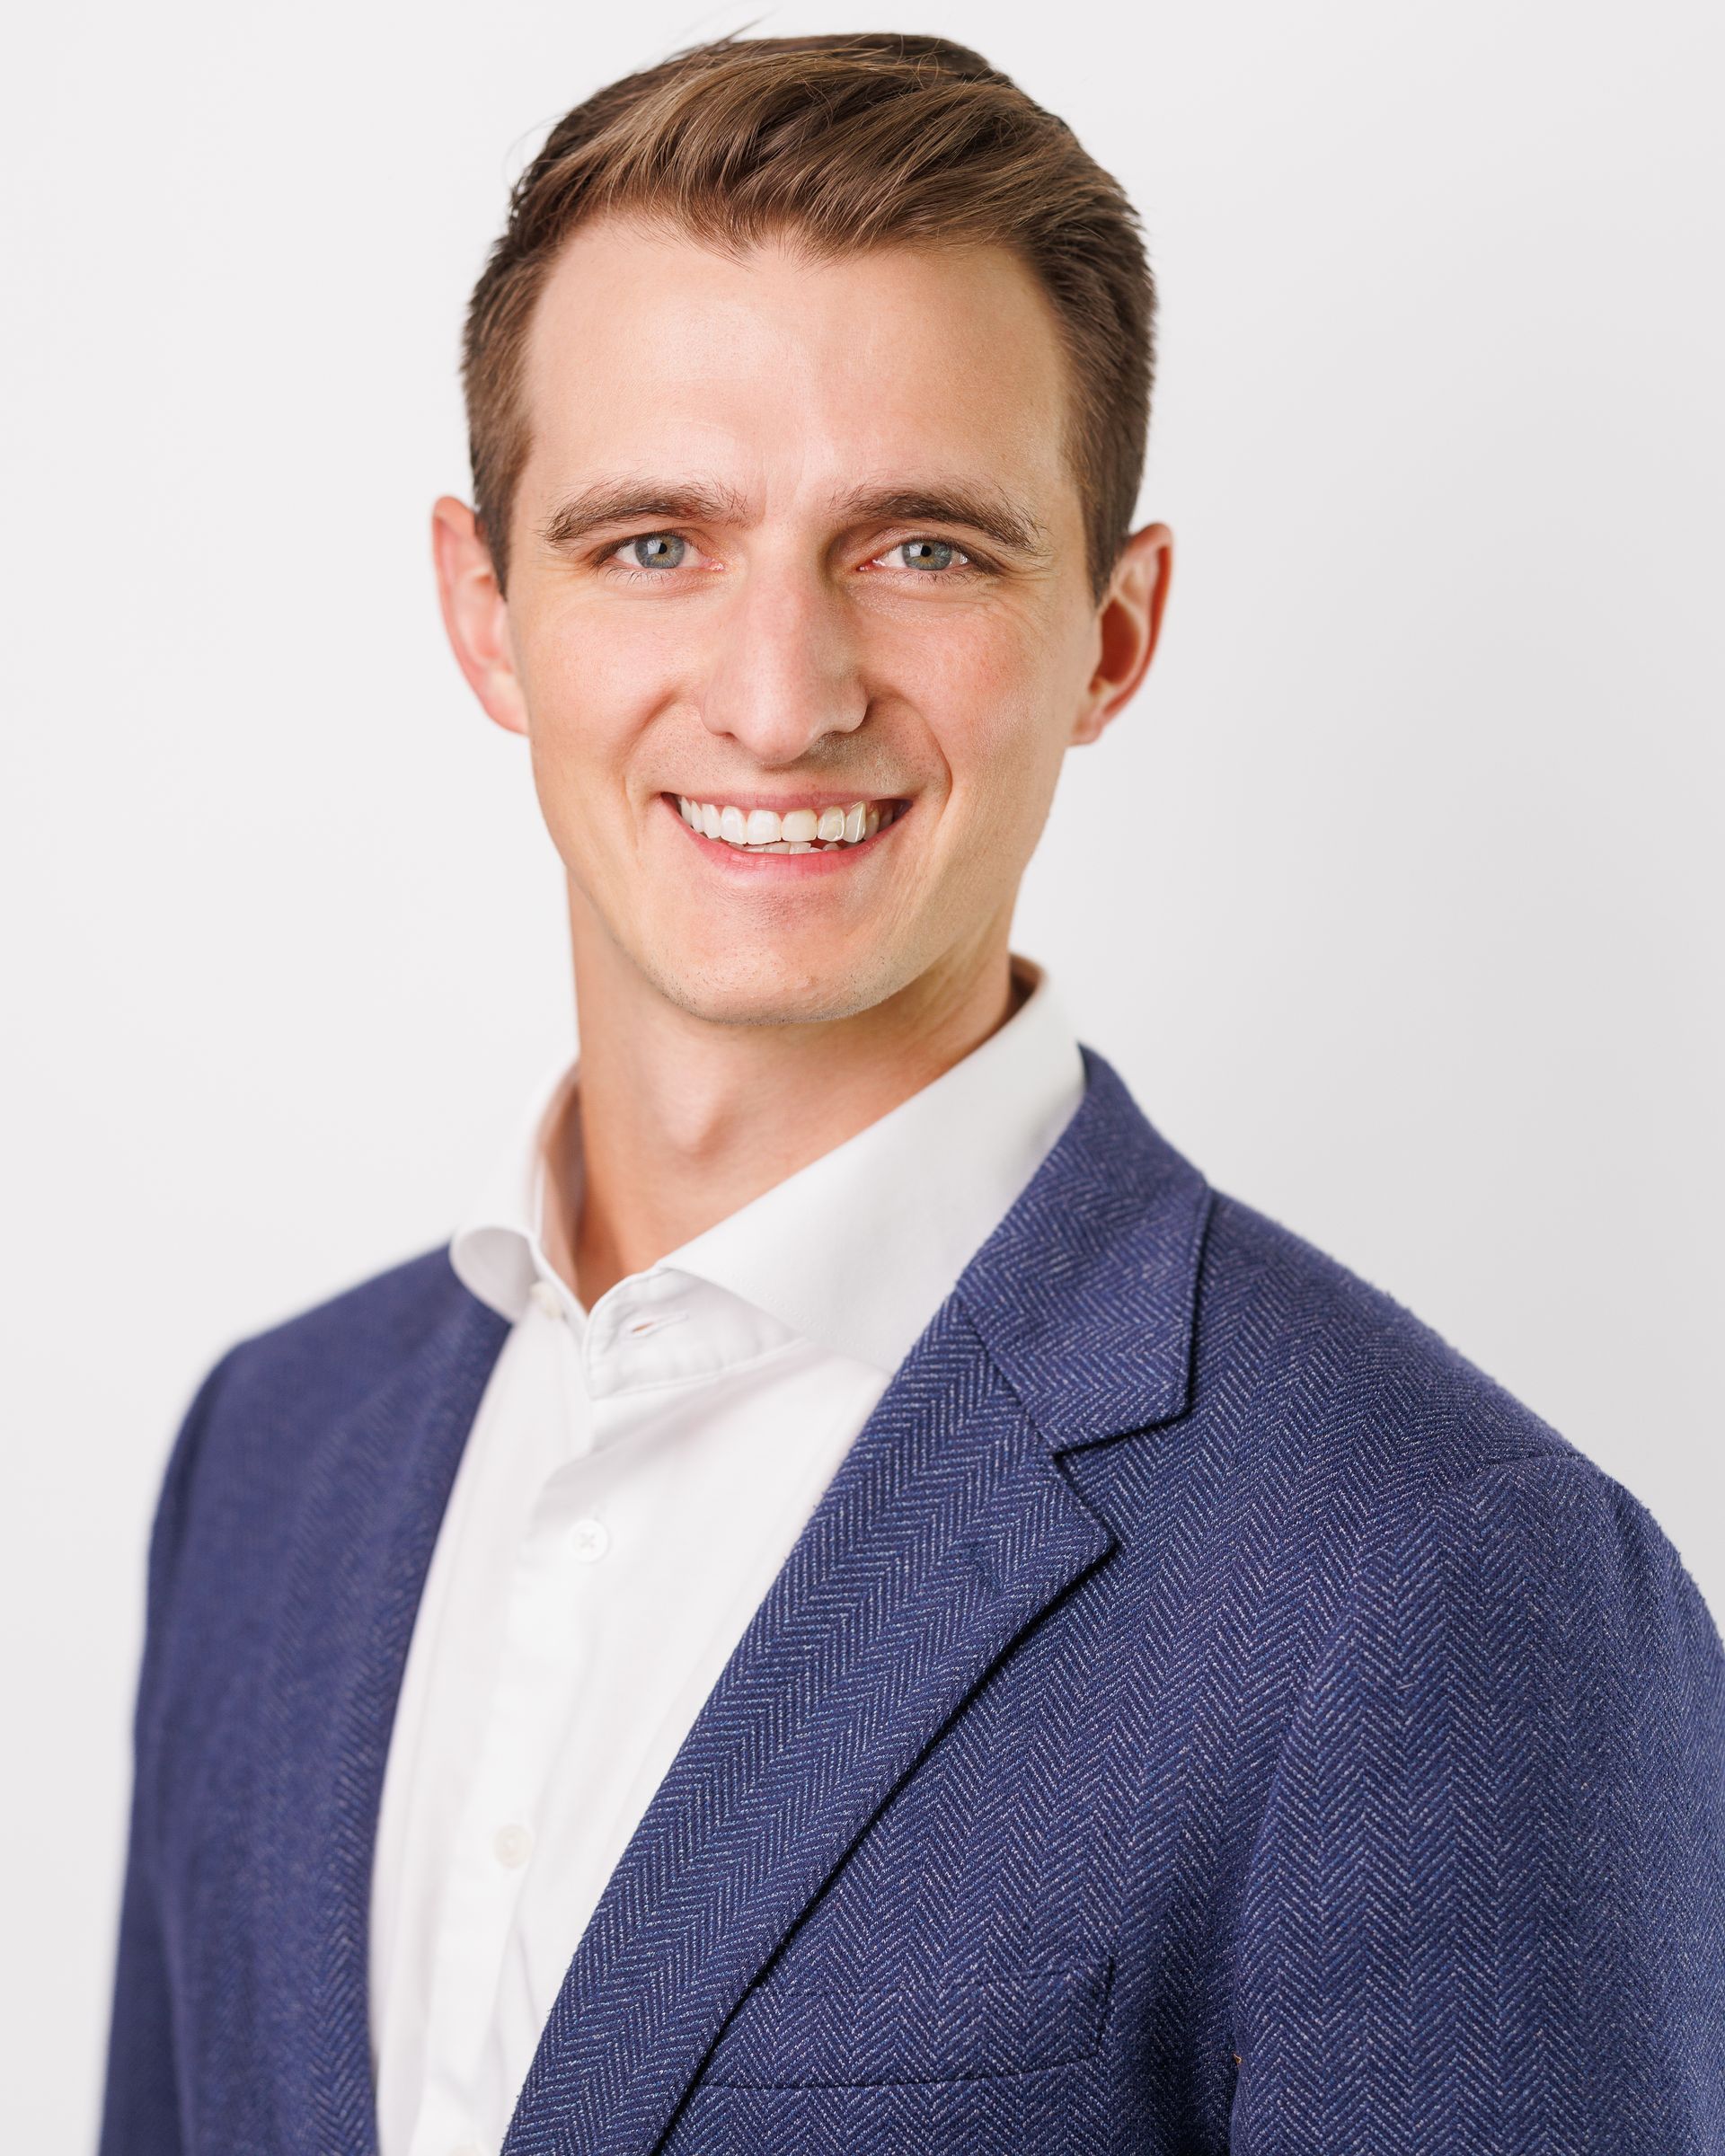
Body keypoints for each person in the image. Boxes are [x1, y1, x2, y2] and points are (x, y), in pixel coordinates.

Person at [98, 30, 1724, 2156]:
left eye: (926, 549)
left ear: (1115, 635)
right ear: (486, 614)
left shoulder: (1436, 1580)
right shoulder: (273, 1454)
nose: (782, 699)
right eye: (655, 544)